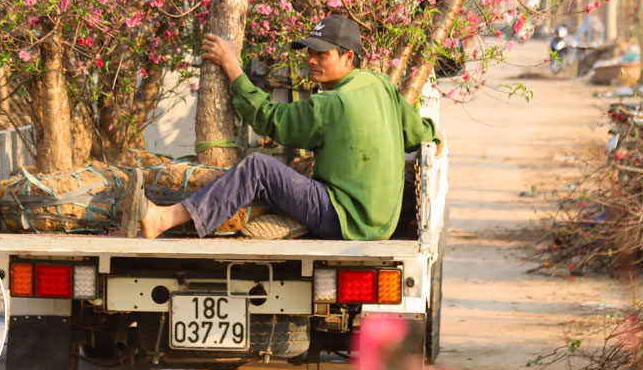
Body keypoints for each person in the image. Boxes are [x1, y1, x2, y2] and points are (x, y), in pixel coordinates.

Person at [119, 15, 442, 240]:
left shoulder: (331, 105)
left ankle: (163, 219)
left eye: (322, 54)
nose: (312, 61)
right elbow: (424, 134)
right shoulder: (382, 86)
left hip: (344, 220)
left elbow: (270, 120)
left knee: (258, 169)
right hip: (382, 224)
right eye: (310, 53)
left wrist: (232, 66)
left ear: (348, 57)